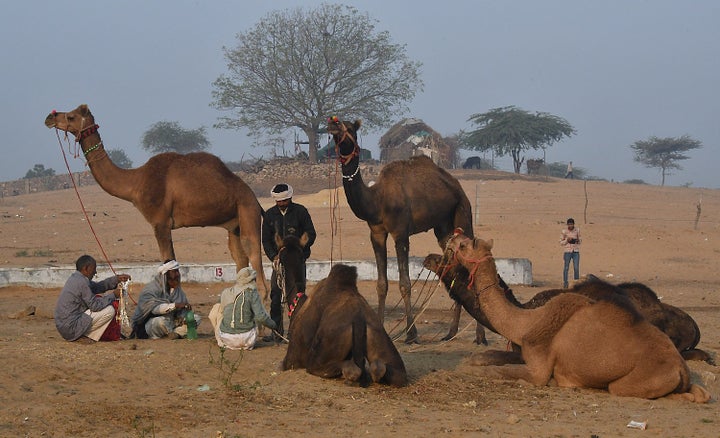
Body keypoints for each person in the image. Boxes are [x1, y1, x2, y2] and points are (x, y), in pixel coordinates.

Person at [261, 183, 317, 342]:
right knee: (275, 293)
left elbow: (311, 233)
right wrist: (274, 257)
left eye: (285, 200)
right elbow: (265, 240)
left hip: (298, 261)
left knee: (298, 295)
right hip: (279, 262)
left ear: (290, 198)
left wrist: (302, 245)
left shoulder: (301, 211)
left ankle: (296, 331)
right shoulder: (270, 215)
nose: (282, 203)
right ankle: (276, 332)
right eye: (279, 201)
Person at [54, 255, 131, 344]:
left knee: (101, 301)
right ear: (86, 268)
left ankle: (84, 335)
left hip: (65, 326)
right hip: (71, 328)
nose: (95, 272)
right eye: (93, 269)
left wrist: (116, 279)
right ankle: (84, 336)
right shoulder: (82, 282)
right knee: (109, 310)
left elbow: (98, 287)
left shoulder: (76, 278)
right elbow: (95, 306)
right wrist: (113, 295)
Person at [208, 266, 277, 350]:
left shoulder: (226, 292)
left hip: (226, 340)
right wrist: (274, 326)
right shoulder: (252, 292)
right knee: (255, 313)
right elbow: (261, 317)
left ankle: (221, 340)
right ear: (252, 280)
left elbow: (221, 313)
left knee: (218, 309)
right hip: (247, 340)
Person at [130, 260, 198, 339]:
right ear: (165, 275)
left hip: (172, 322)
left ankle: (176, 334)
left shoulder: (177, 291)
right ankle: (175, 333)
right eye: (174, 272)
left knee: (195, 318)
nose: (177, 274)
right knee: (160, 321)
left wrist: (184, 319)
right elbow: (155, 309)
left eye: (177, 271)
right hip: (150, 325)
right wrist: (175, 305)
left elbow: (183, 311)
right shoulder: (150, 289)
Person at [560, 218, 581, 288]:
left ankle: (576, 283)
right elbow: (561, 242)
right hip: (567, 251)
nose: (570, 226)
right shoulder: (564, 231)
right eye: (569, 224)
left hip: (575, 251)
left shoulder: (577, 230)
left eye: (571, 224)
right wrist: (567, 240)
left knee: (576, 268)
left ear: (573, 224)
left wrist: (577, 240)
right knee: (566, 268)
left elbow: (580, 240)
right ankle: (565, 283)